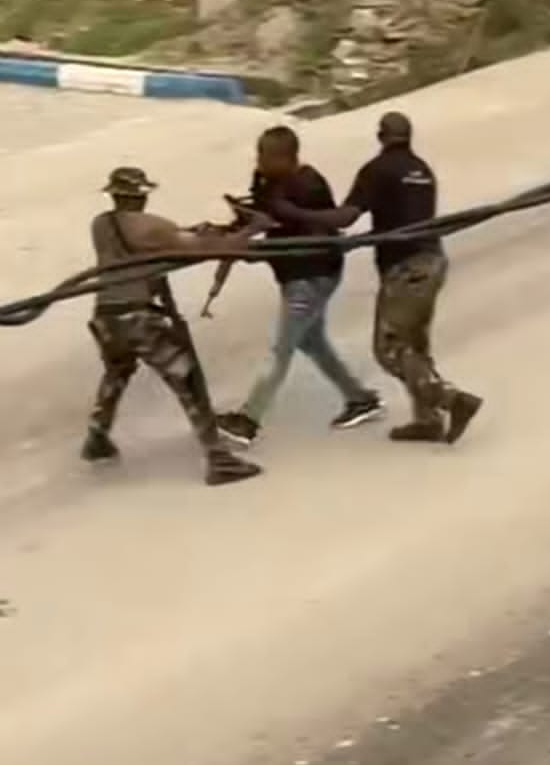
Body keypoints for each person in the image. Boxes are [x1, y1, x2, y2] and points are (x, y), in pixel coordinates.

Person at [267, 113, 483, 443]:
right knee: (415, 346)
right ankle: (427, 421)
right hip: (433, 260)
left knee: (390, 349)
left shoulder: (377, 170)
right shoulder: (422, 170)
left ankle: (451, 400)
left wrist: (293, 213)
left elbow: (345, 216)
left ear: (381, 136)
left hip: (405, 267)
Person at [82, 166, 262, 486]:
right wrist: (249, 230)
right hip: (137, 317)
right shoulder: (152, 226)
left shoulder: (101, 224)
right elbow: (204, 247)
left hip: (106, 317)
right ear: (141, 196)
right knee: (188, 379)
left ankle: (97, 436)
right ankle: (218, 458)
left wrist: (196, 232)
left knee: (117, 371)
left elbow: (162, 243)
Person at [218, 126, 381, 446]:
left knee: (282, 349)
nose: (259, 161)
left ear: (286, 157)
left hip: (311, 276)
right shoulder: (269, 181)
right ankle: (360, 399)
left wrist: (260, 242)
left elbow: (315, 235)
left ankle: (249, 419)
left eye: (266, 155)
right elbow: (265, 217)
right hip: (295, 274)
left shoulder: (308, 185)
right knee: (312, 342)